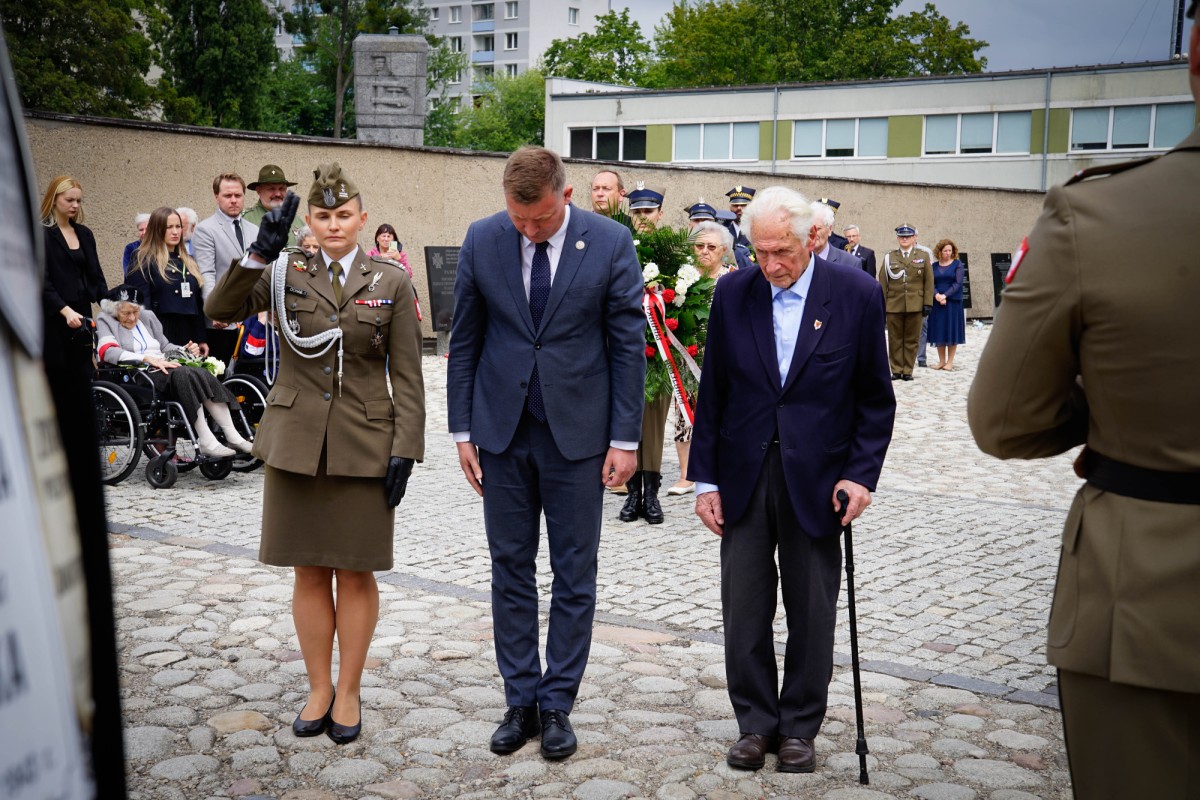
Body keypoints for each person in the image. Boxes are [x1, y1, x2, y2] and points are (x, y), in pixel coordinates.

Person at [969, 7, 1200, 794]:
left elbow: (1005, 419)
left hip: (1150, 591)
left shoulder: (1098, 214)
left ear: (1194, 55)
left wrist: (1109, 408)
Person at [206, 163, 424, 746]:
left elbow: (407, 374)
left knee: (355, 571)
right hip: (296, 442)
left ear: (362, 218)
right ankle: (318, 688)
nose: (333, 225)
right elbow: (219, 309)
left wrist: (406, 447)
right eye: (323, 216)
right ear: (309, 219)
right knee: (307, 570)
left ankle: (348, 689)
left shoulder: (391, 281)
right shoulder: (283, 272)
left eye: (343, 215)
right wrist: (258, 254)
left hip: (364, 442)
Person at [447, 146, 644, 760]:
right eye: (519, 218)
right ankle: (520, 700)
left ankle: (557, 702)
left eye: (541, 219)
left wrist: (626, 439)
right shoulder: (483, 238)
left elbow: (626, 344)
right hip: (501, 433)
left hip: (578, 437)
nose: (529, 230)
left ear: (567, 195)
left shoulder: (610, 242)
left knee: (574, 572)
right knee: (509, 567)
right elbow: (465, 338)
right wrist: (462, 431)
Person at [689, 185, 895, 774]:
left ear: (812, 238)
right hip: (744, 471)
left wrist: (860, 475)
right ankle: (755, 723)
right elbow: (714, 391)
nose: (771, 264)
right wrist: (705, 481)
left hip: (819, 476)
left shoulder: (855, 292)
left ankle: (800, 726)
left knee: (812, 609)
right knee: (745, 607)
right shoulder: (735, 292)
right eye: (760, 252)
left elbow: (874, 398)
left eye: (782, 251)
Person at [96, 285, 250, 459]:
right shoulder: (105, 320)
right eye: (126, 313)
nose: (132, 318)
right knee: (183, 373)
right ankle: (206, 440)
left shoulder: (148, 316)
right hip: (137, 373)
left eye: (135, 311)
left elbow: (165, 346)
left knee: (200, 370)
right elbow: (107, 351)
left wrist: (185, 350)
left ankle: (232, 435)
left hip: (165, 368)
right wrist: (146, 358)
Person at [666, 220, 733, 497]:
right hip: (688, 354)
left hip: (725, 357)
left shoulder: (733, 279)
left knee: (725, 412)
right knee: (685, 412)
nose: (704, 251)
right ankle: (686, 474)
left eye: (711, 247)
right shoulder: (683, 279)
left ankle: (724, 468)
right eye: (699, 246)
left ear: (724, 250)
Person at [620, 183, 671, 525]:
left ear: (660, 214)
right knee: (627, 418)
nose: (642, 217)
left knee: (653, 423)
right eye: (636, 212)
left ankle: (650, 493)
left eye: (648, 211)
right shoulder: (619, 245)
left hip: (658, 349)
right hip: (625, 348)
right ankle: (632, 492)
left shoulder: (672, 251)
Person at [40, 175, 108, 385]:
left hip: (82, 313)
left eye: (78, 201)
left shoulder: (84, 234)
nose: (75, 205)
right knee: (58, 375)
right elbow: (41, 280)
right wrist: (65, 310)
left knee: (83, 372)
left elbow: (96, 276)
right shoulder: (41, 234)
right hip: (54, 315)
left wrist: (111, 307)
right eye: (69, 200)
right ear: (54, 199)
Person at [194, 173, 259, 365]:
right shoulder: (205, 229)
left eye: (238, 195)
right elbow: (206, 273)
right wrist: (215, 310)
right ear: (217, 197)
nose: (233, 200)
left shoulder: (254, 230)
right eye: (227, 195)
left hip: (251, 320)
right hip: (221, 324)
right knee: (221, 376)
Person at [126, 207, 209, 355]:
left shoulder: (188, 260)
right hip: (161, 330)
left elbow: (196, 303)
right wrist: (152, 340)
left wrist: (201, 339)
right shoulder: (143, 259)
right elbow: (141, 305)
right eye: (169, 227)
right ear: (156, 229)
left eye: (178, 226)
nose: (175, 232)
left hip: (189, 332)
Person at [879, 224, 933, 381]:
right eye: (902, 236)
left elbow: (929, 281)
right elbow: (883, 282)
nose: (904, 239)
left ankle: (907, 370)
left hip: (916, 304)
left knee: (912, 339)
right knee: (894, 339)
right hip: (894, 304)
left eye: (908, 236)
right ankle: (896, 369)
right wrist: (881, 304)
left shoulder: (923, 256)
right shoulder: (890, 257)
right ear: (897, 238)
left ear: (914, 237)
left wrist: (927, 303)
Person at [926, 238, 965, 370]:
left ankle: (950, 362)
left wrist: (945, 295)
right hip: (937, 303)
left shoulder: (958, 264)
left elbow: (957, 283)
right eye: (945, 251)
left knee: (951, 331)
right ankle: (941, 361)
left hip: (953, 303)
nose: (948, 253)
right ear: (939, 252)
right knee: (939, 330)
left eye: (950, 250)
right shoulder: (934, 266)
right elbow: (931, 283)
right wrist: (937, 295)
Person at [241, 164, 297, 231]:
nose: (278, 194)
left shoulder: (296, 221)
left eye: (281, 189)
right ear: (259, 191)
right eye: (271, 189)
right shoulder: (245, 220)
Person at [809, 202, 862, 270]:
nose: (813, 233)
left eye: (818, 229)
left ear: (830, 229)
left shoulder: (851, 263)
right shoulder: (797, 259)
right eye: (809, 229)